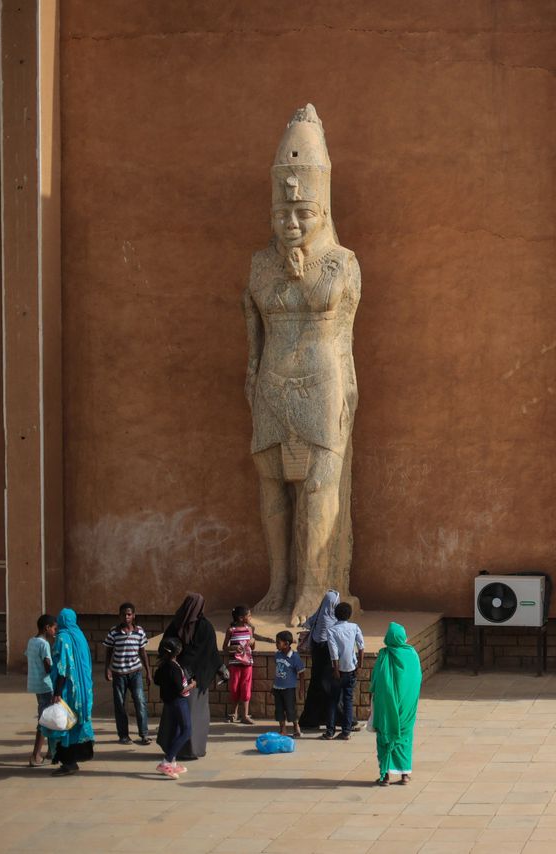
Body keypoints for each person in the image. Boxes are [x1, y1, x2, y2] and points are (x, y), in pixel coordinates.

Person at [244, 104, 363, 625]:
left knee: (319, 486)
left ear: (323, 210)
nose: (291, 222)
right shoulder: (259, 263)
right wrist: (250, 378)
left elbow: (345, 337)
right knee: (272, 482)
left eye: (303, 213)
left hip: (321, 381)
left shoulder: (341, 262)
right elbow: (253, 332)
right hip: (272, 382)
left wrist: (348, 397)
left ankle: (315, 587)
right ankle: (279, 582)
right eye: (281, 214)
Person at [160, 593, 221, 761]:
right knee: (194, 715)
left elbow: (164, 648)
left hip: (177, 678)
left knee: (178, 715)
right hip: (195, 680)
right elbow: (211, 653)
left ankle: (173, 748)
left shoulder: (175, 625)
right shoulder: (205, 627)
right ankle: (191, 749)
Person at [369, 622, 421, 786]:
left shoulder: (384, 655)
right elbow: (417, 678)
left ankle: (385, 776)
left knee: (385, 736)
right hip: (406, 706)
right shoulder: (411, 654)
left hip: (386, 707)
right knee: (404, 738)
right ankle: (404, 775)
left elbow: (376, 680)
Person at [45, 608, 95, 776]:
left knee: (63, 722)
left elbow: (62, 668)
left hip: (67, 690)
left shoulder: (62, 639)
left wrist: (57, 692)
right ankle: (75, 758)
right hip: (83, 691)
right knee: (76, 722)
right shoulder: (80, 636)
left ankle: (68, 762)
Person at [102, 601, 150, 745]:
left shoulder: (139, 631)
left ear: (134, 615)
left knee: (140, 701)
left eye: (129, 614)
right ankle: (123, 735)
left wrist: (148, 672)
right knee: (120, 705)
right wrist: (107, 668)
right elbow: (109, 650)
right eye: (123, 614)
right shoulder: (113, 632)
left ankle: (144, 734)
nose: (126, 617)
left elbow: (143, 652)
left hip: (135, 672)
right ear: (119, 616)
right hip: (118, 673)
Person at [298, 589, 339, 729]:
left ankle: (312, 720)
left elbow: (308, 625)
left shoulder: (318, 621)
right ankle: (340, 720)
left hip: (318, 670)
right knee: (331, 692)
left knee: (316, 691)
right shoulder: (334, 624)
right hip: (329, 668)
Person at [323, 602, 363, 740]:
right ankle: (346, 731)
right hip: (351, 669)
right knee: (348, 700)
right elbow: (361, 647)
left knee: (333, 700)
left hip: (337, 671)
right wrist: (360, 666)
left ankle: (330, 731)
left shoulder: (332, 631)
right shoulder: (354, 627)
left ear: (335, 615)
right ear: (349, 615)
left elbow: (334, 653)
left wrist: (335, 670)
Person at [154, 637, 192, 779]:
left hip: (170, 702)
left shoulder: (163, 665)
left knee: (177, 730)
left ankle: (173, 763)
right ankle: (166, 761)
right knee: (186, 730)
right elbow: (180, 689)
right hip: (178, 702)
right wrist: (192, 684)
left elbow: (157, 680)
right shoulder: (173, 667)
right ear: (177, 651)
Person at [26, 614, 56, 766]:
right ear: (47, 628)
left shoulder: (31, 641)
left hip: (36, 685)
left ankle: (52, 751)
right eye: (54, 628)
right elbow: (47, 666)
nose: (55, 631)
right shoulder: (44, 645)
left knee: (49, 717)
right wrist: (57, 668)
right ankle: (35, 755)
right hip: (46, 686)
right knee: (44, 720)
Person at [223, 605, 256, 725]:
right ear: (241, 618)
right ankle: (234, 713)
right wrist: (233, 647)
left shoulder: (250, 629)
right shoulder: (231, 630)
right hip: (234, 664)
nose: (250, 617)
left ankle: (245, 715)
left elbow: (252, 646)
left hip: (247, 664)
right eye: (249, 615)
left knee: (246, 688)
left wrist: (253, 642)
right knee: (234, 688)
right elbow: (224, 648)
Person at [272, 630, 306, 737]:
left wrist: (301, 689)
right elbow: (277, 671)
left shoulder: (295, 657)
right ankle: (283, 729)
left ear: (286, 644)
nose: (276, 644)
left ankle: (296, 727)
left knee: (291, 709)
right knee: (279, 710)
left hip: (289, 689)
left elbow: (301, 673)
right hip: (277, 688)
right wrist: (272, 685)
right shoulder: (277, 655)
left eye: (278, 642)